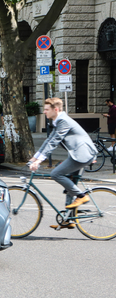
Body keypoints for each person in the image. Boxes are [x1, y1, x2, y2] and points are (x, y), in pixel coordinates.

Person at [28, 97, 98, 228]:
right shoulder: (58, 121)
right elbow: (49, 140)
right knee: (68, 182)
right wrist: (34, 158)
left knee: (56, 174)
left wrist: (39, 161)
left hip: (81, 155)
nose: (44, 112)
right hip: (78, 154)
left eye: (47, 109)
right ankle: (68, 219)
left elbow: (54, 142)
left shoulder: (63, 121)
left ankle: (81, 196)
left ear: (56, 109)